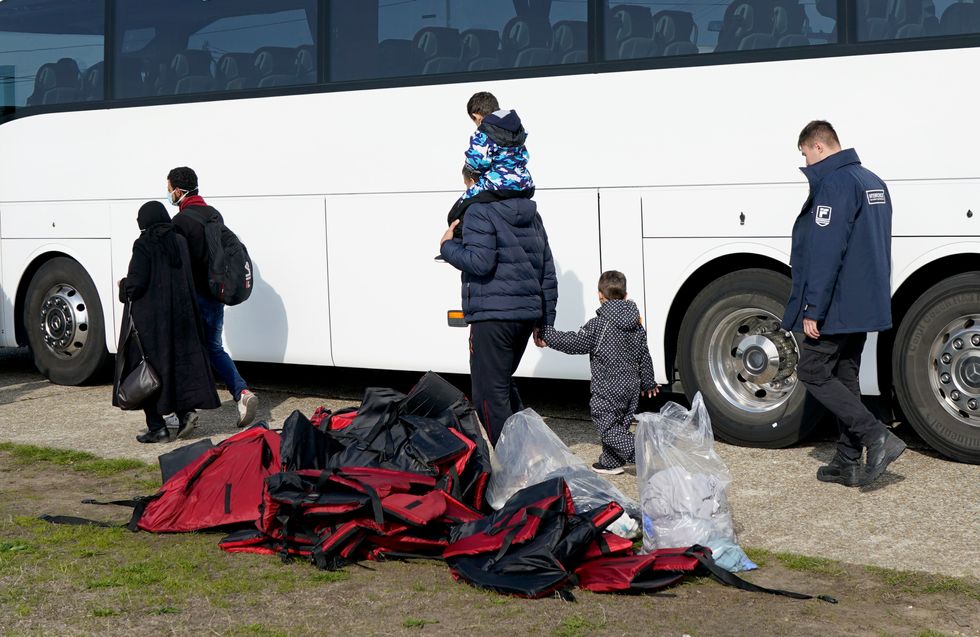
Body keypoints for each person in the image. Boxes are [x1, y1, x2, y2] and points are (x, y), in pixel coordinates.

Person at [781, 120, 905, 487]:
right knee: (845, 374)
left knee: (812, 371)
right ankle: (847, 460)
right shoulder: (872, 181)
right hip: (864, 302)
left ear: (818, 147)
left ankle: (874, 434)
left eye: (805, 154)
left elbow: (825, 252)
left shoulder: (835, 184)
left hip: (837, 303)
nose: (806, 162)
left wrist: (812, 309)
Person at [439, 195, 557, 446]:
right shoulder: (532, 215)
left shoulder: (478, 211)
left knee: (488, 396)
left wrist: (447, 246)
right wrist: (545, 321)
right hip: (525, 315)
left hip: (493, 315)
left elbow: (480, 263)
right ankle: (528, 452)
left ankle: (514, 464)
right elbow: (547, 270)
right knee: (502, 385)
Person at [113, 201, 220, 443]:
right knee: (174, 368)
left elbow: (136, 284)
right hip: (181, 319)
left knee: (146, 371)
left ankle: (157, 427)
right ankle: (183, 414)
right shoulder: (179, 241)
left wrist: (123, 285)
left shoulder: (144, 244)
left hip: (151, 322)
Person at [539, 271, 658, 475]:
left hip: (608, 387)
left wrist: (547, 334)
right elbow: (644, 355)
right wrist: (648, 383)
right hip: (631, 387)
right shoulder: (636, 325)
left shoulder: (598, 325)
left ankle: (639, 449)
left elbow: (573, 342)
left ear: (599, 296)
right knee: (619, 425)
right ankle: (611, 462)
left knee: (606, 423)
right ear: (626, 295)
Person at [167, 166, 258, 427]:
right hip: (216, 295)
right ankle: (242, 393)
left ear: (178, 190)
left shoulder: (180, 223)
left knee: (185, 352)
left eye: (169, 189)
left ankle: (185, 411)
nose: (169, 194)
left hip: (194, 298)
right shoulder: (213, 213)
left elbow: (180, 264)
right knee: (214, 348)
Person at [446, 91, 535, 240]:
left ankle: (457, 245)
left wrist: (470, 171)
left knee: (456, 213)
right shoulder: (517, 129)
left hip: (499, 185)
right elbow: (524, 156)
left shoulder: (483, 132)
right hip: (525, 185)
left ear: (477, 116)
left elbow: (476, 162)